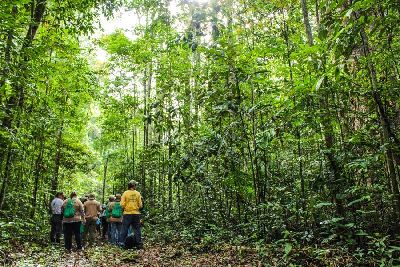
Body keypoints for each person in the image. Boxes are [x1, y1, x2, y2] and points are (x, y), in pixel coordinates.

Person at [120, 180, 143, 249]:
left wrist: (126, 208)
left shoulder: (125, 193)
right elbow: (140, 205)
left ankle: (122, 243)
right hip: (136, 214)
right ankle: (138, 244)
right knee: (137, 229)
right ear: (133, 186)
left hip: (127, 214)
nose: (136, 186)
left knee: (124, 228)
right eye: (135, 185)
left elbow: (122, 204)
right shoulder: (138, 193)